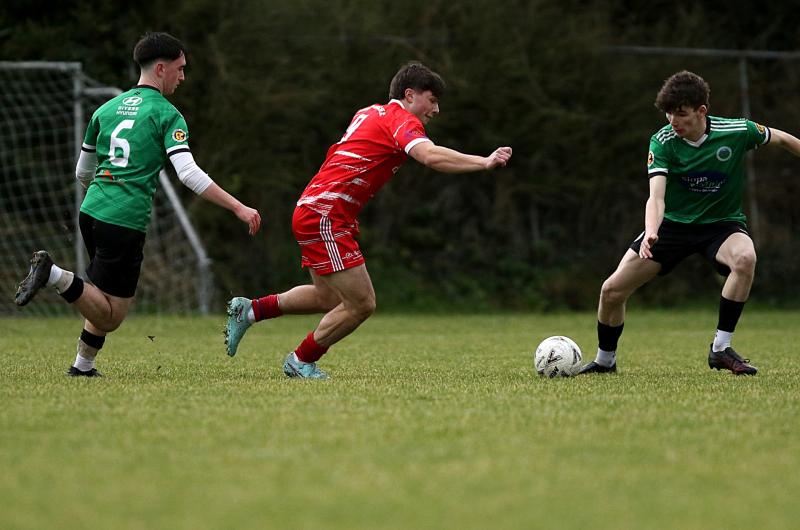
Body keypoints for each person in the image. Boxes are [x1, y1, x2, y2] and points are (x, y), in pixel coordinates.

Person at [224, 61, 512, 379]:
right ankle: (300, 360)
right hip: (326, 214)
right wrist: (483, 162)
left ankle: (250, 310)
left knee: (328, 297)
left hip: (315, 208)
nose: (436, 109)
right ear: (410, 95)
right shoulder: (400, 119)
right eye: (432, 100)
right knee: (362, 303)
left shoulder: (370, 112)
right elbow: (430, 156)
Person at [14, 32, 261, 377]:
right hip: (124, 219)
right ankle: (53, 274)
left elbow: (82, 172)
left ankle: (83, 366)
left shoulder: (105, 109)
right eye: (180, 68)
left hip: (92, 211)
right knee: (111, 316)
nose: (183, 76)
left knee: (101, 295)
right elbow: (188, 174)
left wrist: (105, 193)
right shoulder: (166, 114)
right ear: (160, 68)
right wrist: (238, 207)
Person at [578, 70, 800, 376]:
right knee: (611, 291)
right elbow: (656, 198)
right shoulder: (663, 141)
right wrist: (651, 232)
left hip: (721, 225)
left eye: (681, 114)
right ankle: (605, 361)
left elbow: (783, 139)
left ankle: (720, 348)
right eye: (668, 113)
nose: (673, 121)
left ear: (701, 111)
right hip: (672, 227)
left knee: (745, 258)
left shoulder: (737, 131)